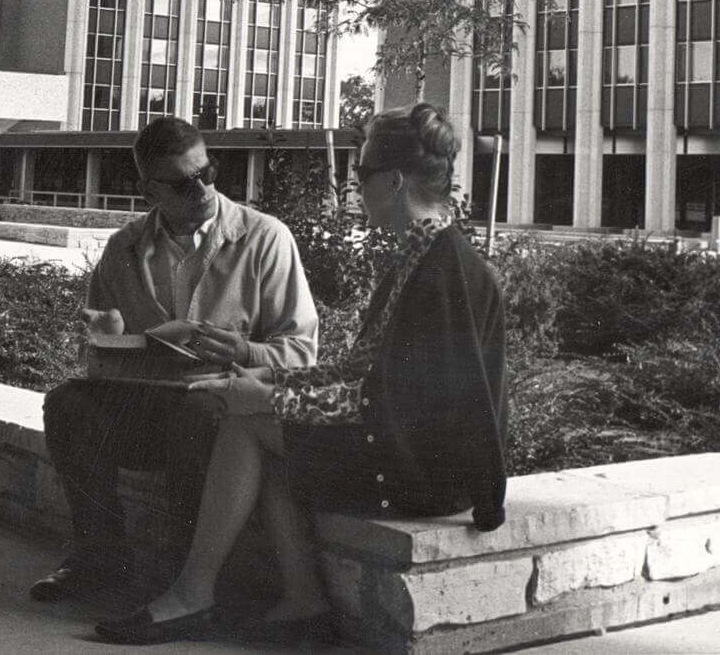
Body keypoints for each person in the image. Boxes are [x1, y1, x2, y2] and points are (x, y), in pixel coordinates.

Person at [92, 103, 508, 646]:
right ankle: (302, 600)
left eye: (360, 176)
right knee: (252, 417)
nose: (354, 189)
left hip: (422, 470)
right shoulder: (425, 253)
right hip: (413, 450)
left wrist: (268, 396)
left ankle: (196, 594)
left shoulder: (442, 271)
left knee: (245, 423)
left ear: (395, 180)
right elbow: (366, 372)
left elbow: (391, 401)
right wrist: (268, 385)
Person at [31, 116, 318, 601]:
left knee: (196, 414)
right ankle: (100, 558)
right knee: (67, 404)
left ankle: (185, 576)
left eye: (207, 172)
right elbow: (100, 365)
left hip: (222, 410)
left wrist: (244, 350)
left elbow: (304, 353)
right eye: (184, 184)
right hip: (147, 406)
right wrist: (105, 341)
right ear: (149, 190)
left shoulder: (265, 239)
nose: (203, 190)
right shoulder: (123, 248)